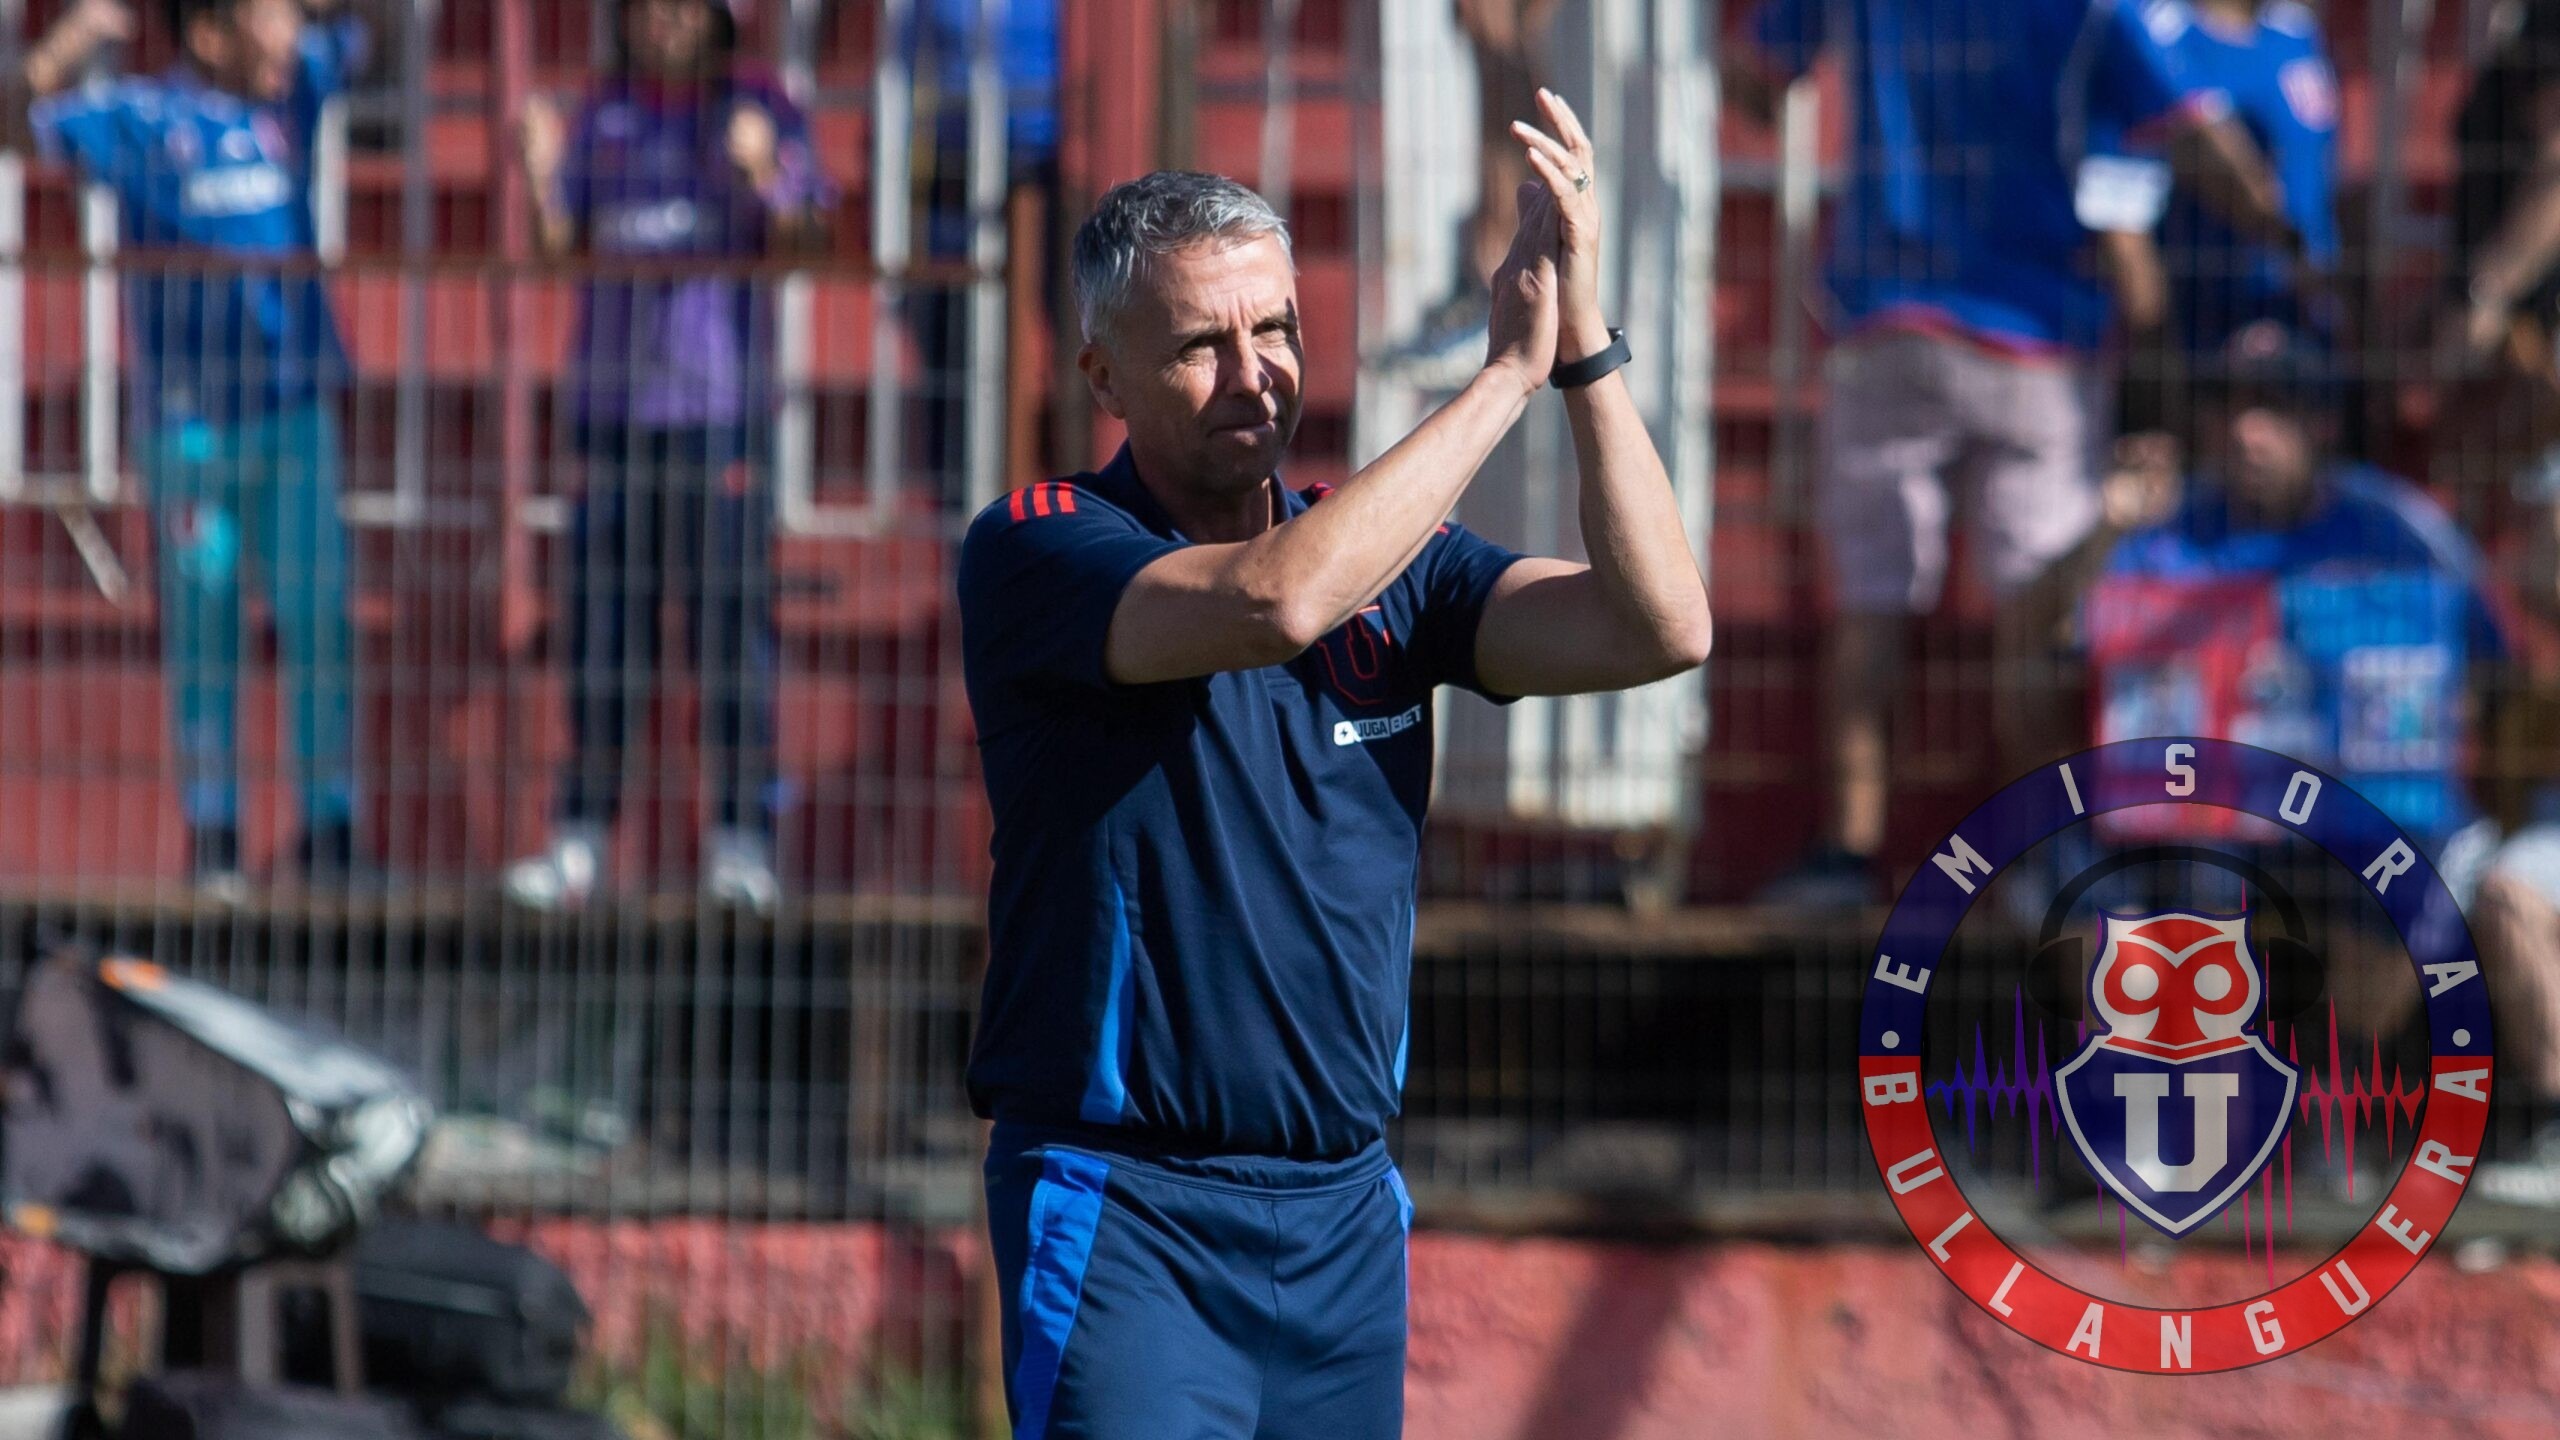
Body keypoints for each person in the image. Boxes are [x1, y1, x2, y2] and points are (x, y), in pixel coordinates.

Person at [960, 95, 1710, 1438]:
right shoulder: (1041, 546)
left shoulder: (1397, 567)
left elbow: (1660, 625)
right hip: (1133, 1211)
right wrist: (1499, 378)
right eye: (1201, 344)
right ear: (1101, 377)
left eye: (1278, 329)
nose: (1256, 374)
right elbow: (1272, 604)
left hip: (1343, 1220)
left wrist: (1581, 342)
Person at [1725, 0, 2307, 905]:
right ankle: (2044, 858)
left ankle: (1846, 854)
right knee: (2038, 616)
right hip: (2040, 333)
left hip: (1887, 316)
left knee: (1872, 607)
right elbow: (2191, 131)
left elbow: (1757, 85)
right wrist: (2283, 230)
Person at [7, 0, 379, 898]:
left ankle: (330, 830)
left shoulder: (292, 93)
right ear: (211, 30)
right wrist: (64, 46)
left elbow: (375, 34)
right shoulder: (140, 117)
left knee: (319, 620)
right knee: (206, 627)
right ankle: (214, 836)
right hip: (190, 428)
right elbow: (17, 132)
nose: (295, 36)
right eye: (276, 15)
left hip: (293, 414)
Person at [503, 0, 834, 915]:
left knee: (731, 632)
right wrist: (537, 176)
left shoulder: (761, 103)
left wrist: (765, 170)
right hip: (612, 413)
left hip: (720, 415)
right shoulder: (602, 112)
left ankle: (741, 840)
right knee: (605, 632)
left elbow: (811, 240)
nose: (665, 22)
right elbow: (560, 244)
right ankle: (580, 840)